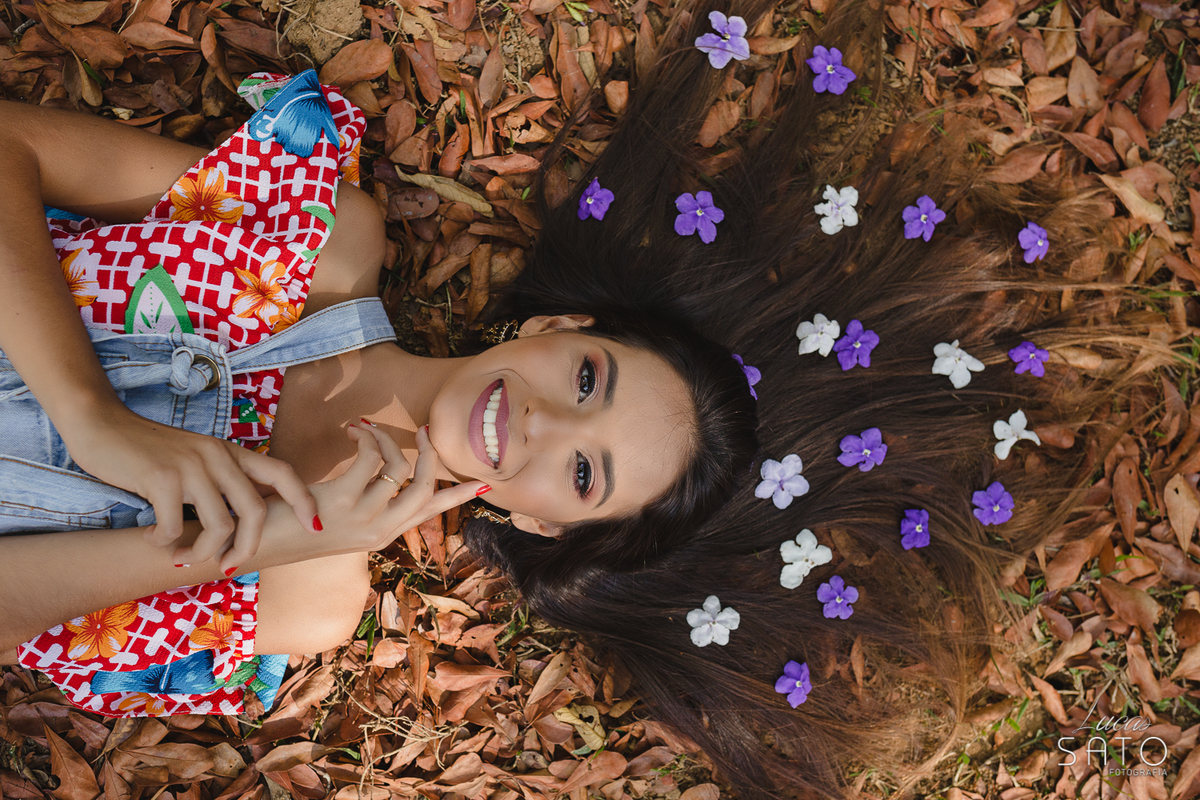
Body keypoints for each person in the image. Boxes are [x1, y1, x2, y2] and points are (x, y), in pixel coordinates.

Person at [0, 0, 1170, 795]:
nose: (546, 422)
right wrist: (102, 424)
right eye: (589, 380)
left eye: (582, 471)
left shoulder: (304, 598)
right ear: (556, 329)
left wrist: (265, 535)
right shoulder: (319, 240)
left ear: (551, 527)